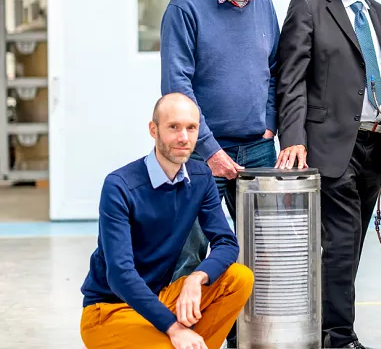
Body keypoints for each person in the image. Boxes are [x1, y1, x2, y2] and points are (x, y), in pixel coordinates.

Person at [275, 0, 381, 349]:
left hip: (373, 145)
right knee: (342, 243)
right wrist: (293, 137)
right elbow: (289, 79)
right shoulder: (308, 6)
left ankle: (329, 327)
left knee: (352, 245)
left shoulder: (376, 11)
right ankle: (337, 337)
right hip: (329, 146)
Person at [159, 0, 279, 348]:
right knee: (191, 254)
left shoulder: (264, 6)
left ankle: (248, 340)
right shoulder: (186, 6)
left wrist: (268, 124)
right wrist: (208, 149)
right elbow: (177, 87)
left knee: (260, 253)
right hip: (196, 155)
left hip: (259, 148)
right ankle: (196, 339)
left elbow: (273, 74)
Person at [79, 93, 254, 349]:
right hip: (109, 310)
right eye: (173, 127)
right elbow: (119, 274)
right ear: (154, 130)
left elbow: (226, 242)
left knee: (239, 277)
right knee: (174, 343)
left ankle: (189, 342)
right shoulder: (120, 185)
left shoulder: (200, 176)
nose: (183, 138)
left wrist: (197, 278)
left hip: (161, 298)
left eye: (191, 128)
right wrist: (173, 328)